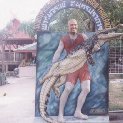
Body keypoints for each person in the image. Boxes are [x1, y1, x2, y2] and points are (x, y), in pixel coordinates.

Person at [52, 19, 92, 122]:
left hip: (83, 66)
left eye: (75, 25)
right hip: (71, 67)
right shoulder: (64, 39)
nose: (73, 26)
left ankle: (78, 112)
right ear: (68, 26)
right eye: (71, 25)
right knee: (68, 88)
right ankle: (60, 114)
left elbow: (90, 47)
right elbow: (58, 51)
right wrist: (53, 65)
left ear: (77, 26)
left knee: (86, 89)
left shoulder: (83, 36)